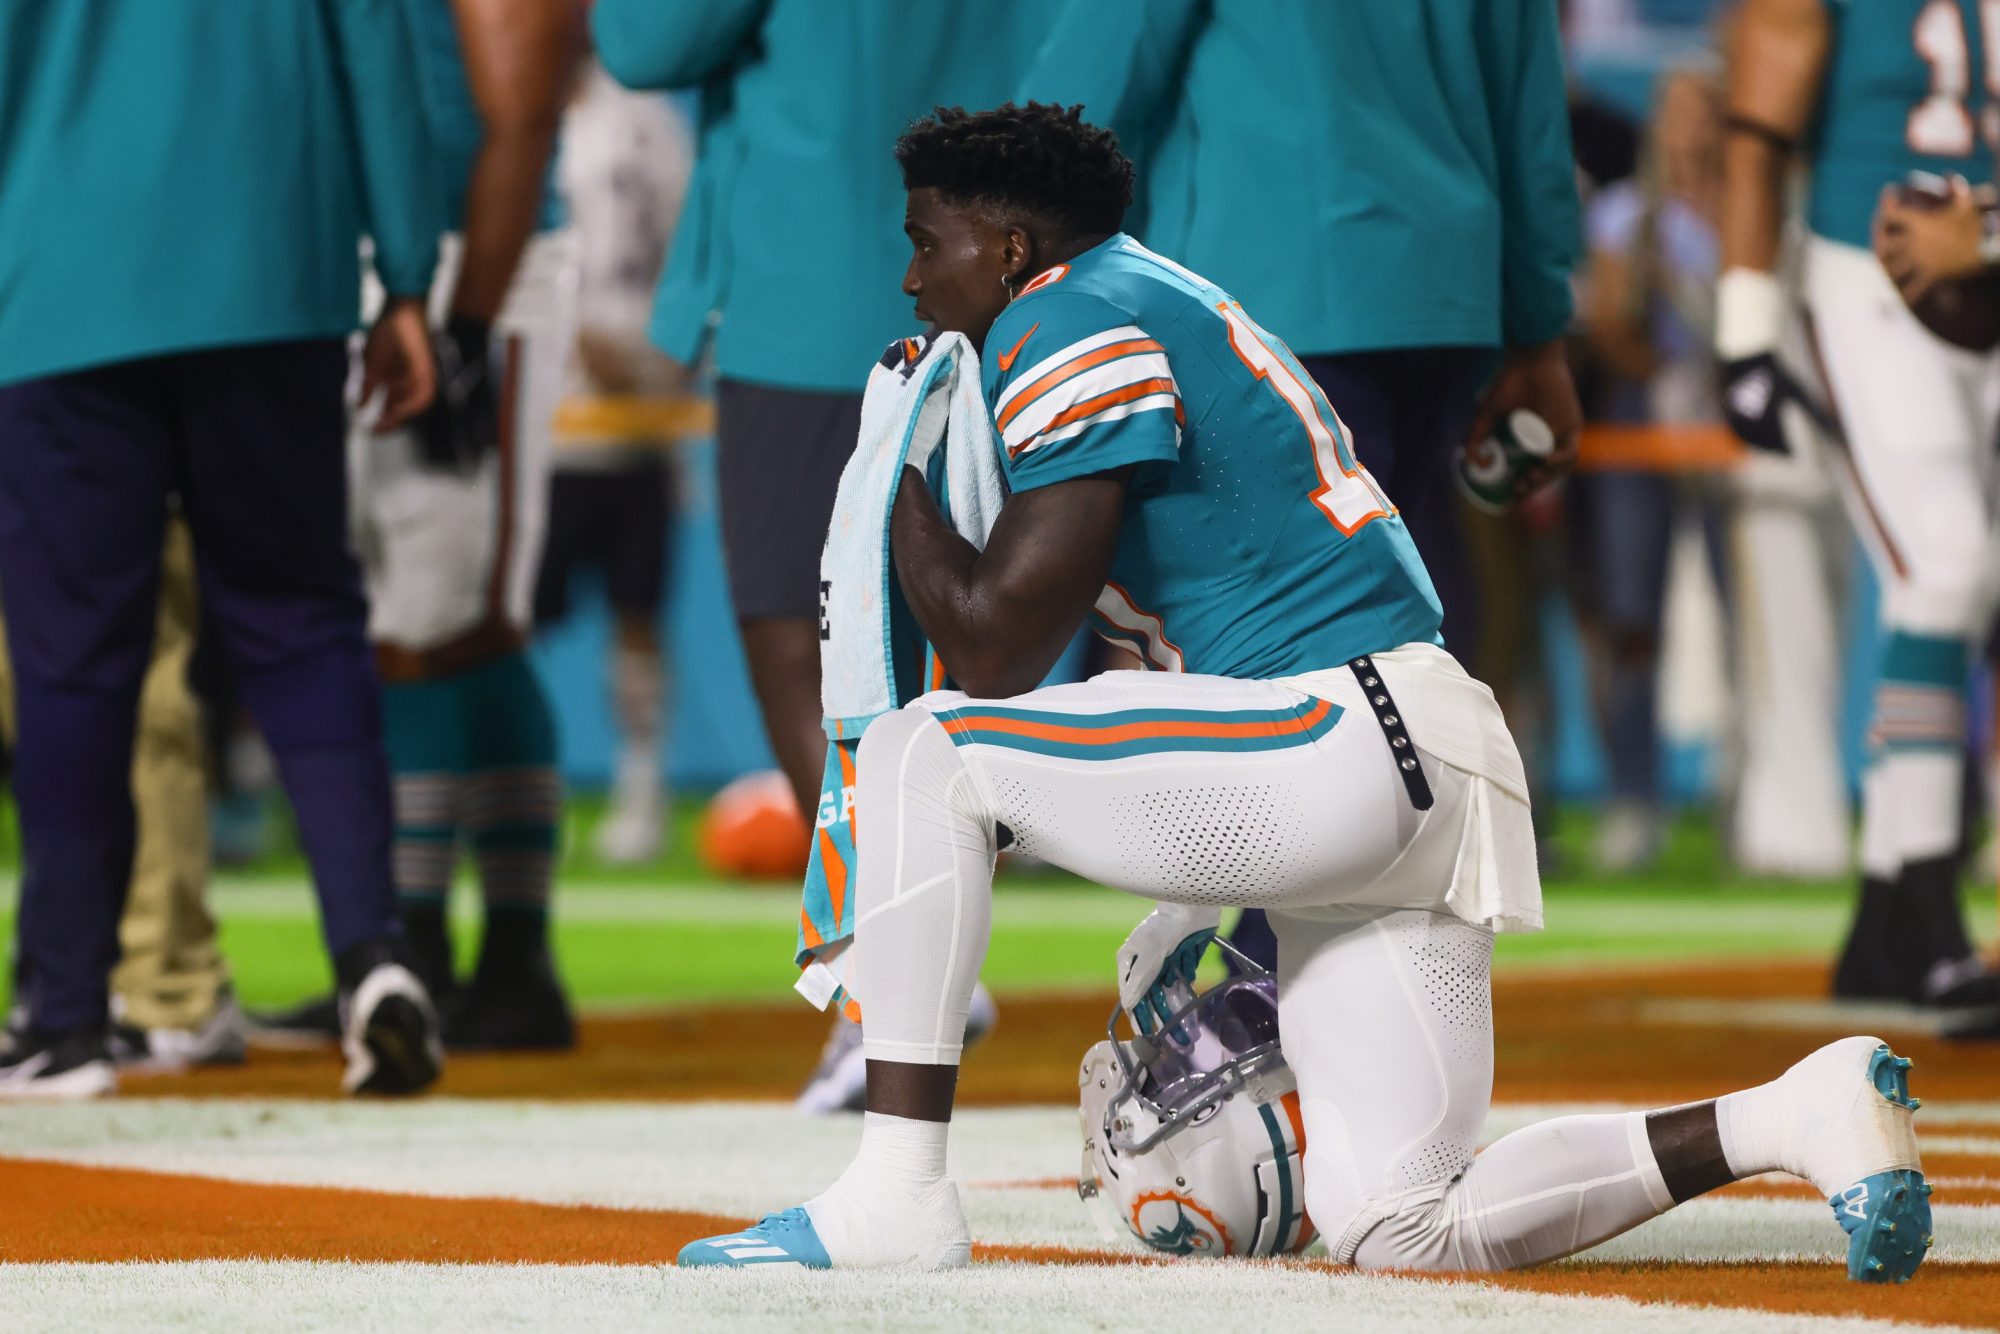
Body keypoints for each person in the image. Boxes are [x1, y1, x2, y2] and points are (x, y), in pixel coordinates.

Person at [676, 104, 1932, 1283]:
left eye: (925, 243)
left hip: (1336, 735)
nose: (910, 280)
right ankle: (1789, 1111)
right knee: (1401, 1220)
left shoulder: (1061, 313)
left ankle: (895, 1185)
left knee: (922, 751)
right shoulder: (1143, 292)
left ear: (1008, 245)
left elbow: (997, 646)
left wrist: (884, 464)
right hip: (1415, 752)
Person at [1020, 0, 1584, 964]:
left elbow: (1078, 100)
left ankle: (1270, 966)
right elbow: (1530, 107)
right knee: (1398, 622)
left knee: (1260, 641)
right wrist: (1537, 322)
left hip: (1255, 277)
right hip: (1441, 281)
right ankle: (1363, 935)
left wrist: (1014, 247)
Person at [590, 0, 1050, 1108]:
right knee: (970, 630)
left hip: (814, 268)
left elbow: (642, 41)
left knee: (795, 629)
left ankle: (882, 976)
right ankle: (916, 950)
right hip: (1015, 265)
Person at [0, 0, 445, 1099]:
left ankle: (63, 1016)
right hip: (269, 267)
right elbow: (382, 55)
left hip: (55, 273)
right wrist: (402, 274)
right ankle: (373, 957)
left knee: (70, 653)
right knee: (302, 624)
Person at [263, 0, 586, 1053]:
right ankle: (481, 954)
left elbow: (522, 108)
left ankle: (444, 951)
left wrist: (466, 324)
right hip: (374, 262)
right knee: (434, 624)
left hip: (465, 264)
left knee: (434, 625)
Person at [1718, 0, 2000, 1016]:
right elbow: (1754, 129)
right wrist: (1742, 327)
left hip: (1984, 272)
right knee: (1945, 569)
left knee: (1968, 582)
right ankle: (1927, 904)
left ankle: (1884, 919)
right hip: (1866, 278)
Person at [533, 59, 695, 867]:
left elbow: (691, 239)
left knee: (638, 613)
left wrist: (656, 352)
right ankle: (506, 782)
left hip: (634, 413)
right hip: (530, 417)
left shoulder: (644, 118)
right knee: (506, 618)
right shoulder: (500, 96)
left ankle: (640, 787)